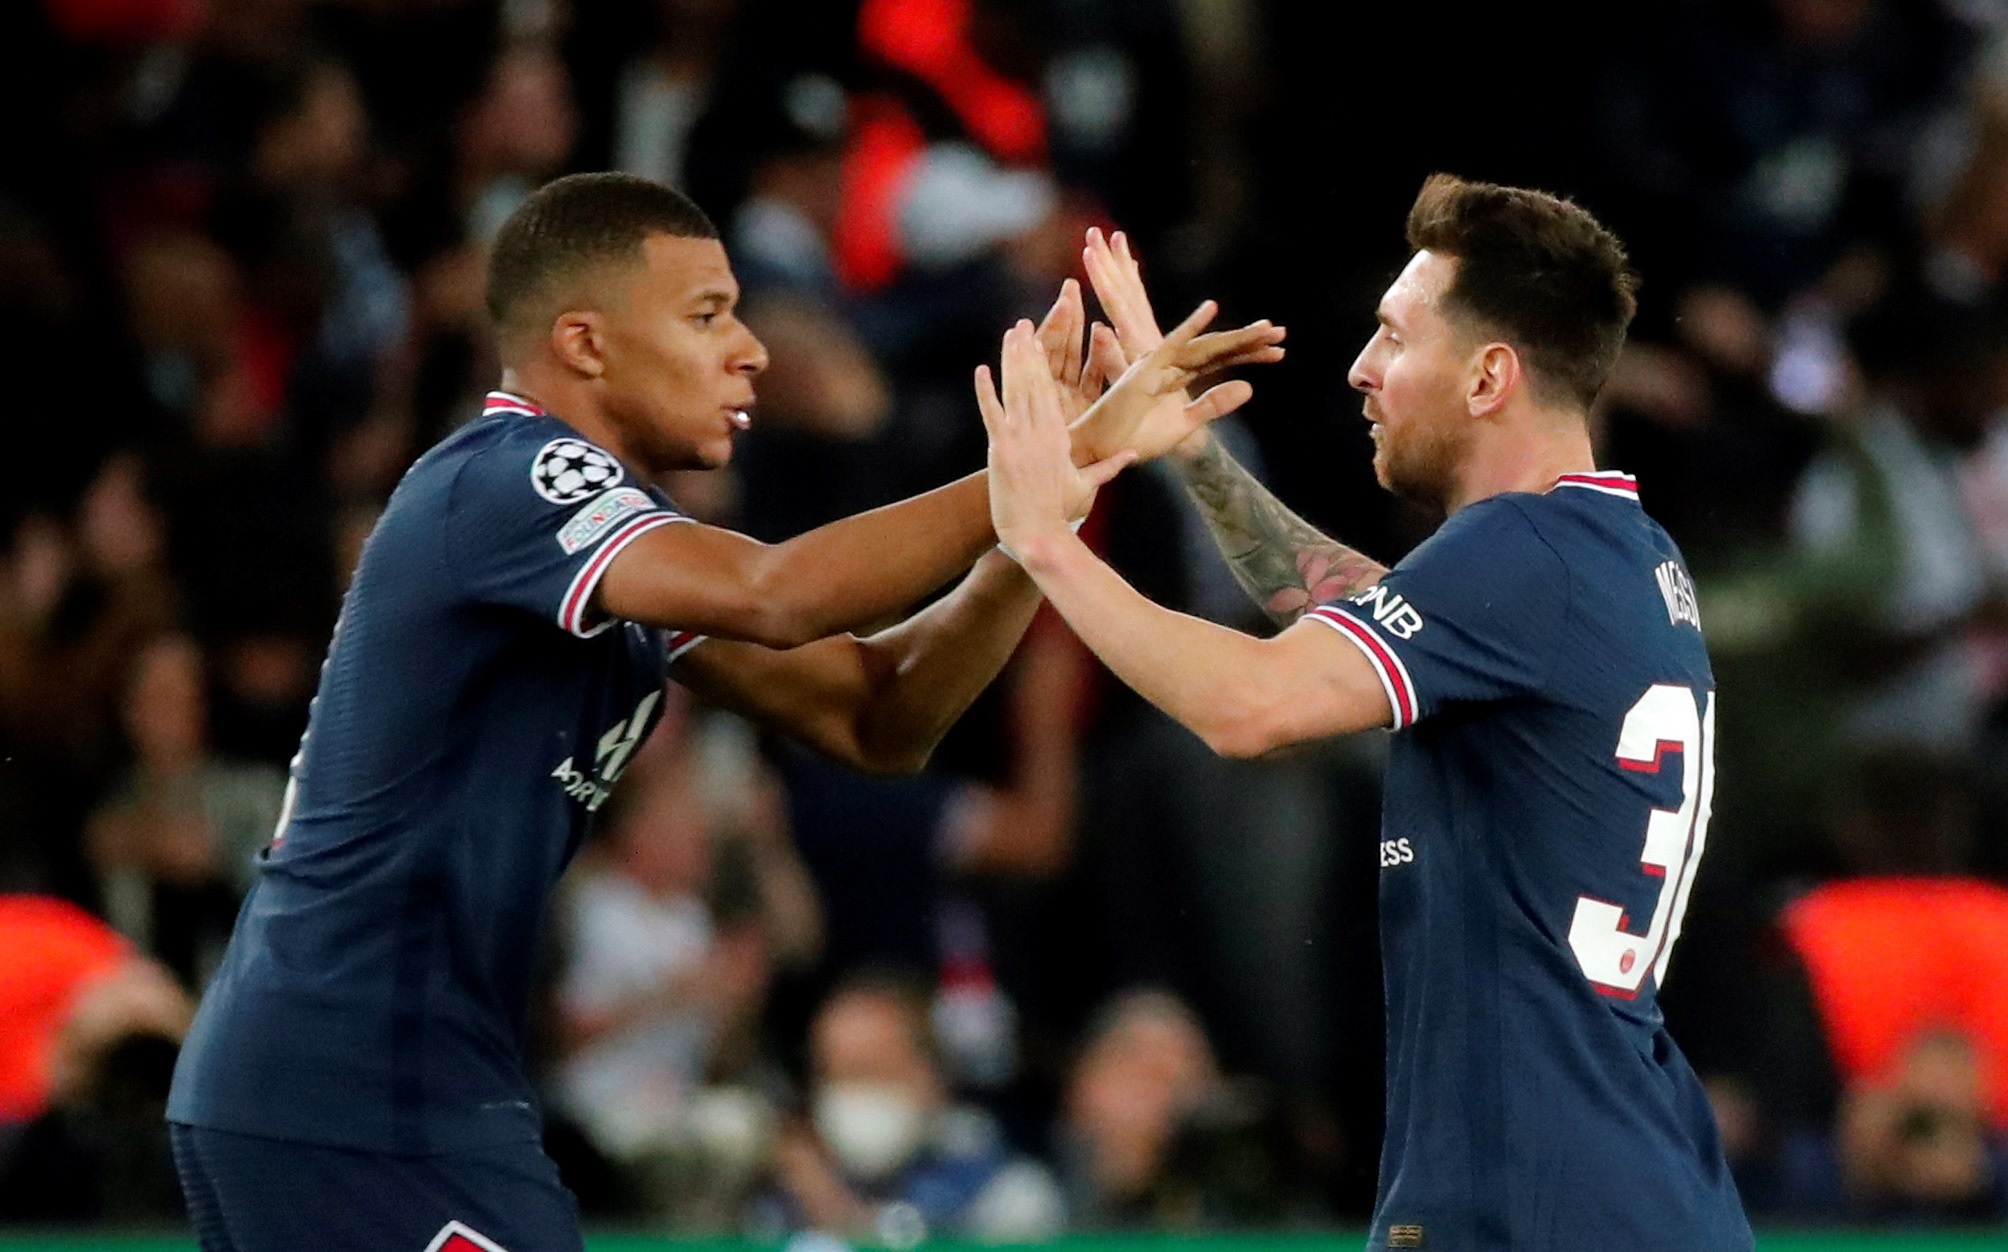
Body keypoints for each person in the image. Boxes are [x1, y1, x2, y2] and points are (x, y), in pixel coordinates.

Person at [162, 170, 1284, 1252]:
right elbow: (779, 593)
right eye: (707, 314)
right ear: (584, 341)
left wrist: (1037, 525)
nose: (748, 350)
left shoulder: (614, 561)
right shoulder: (509, 477)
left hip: (396, 1083)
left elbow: (877, 717)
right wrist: (1058, 451)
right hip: (350, 1080)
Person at [982, 179, 1753, 1249]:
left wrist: (1045, 541)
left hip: (1534, 1203)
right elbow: (1356, 607)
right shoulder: (1615, 554)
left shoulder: (1516, 554)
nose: (1360, 369)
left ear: (1489, 376)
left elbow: (1248, 706)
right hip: (1619, 1180)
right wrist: (1192, 453)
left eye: (1393, 335)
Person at [758, 971, 1064, 1244]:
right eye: (832, 1075)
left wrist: (839, 1214)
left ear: (930, 1075)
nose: (850, 1094)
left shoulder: (1009, 1194)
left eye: (870, 1071)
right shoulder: (783, 1193)